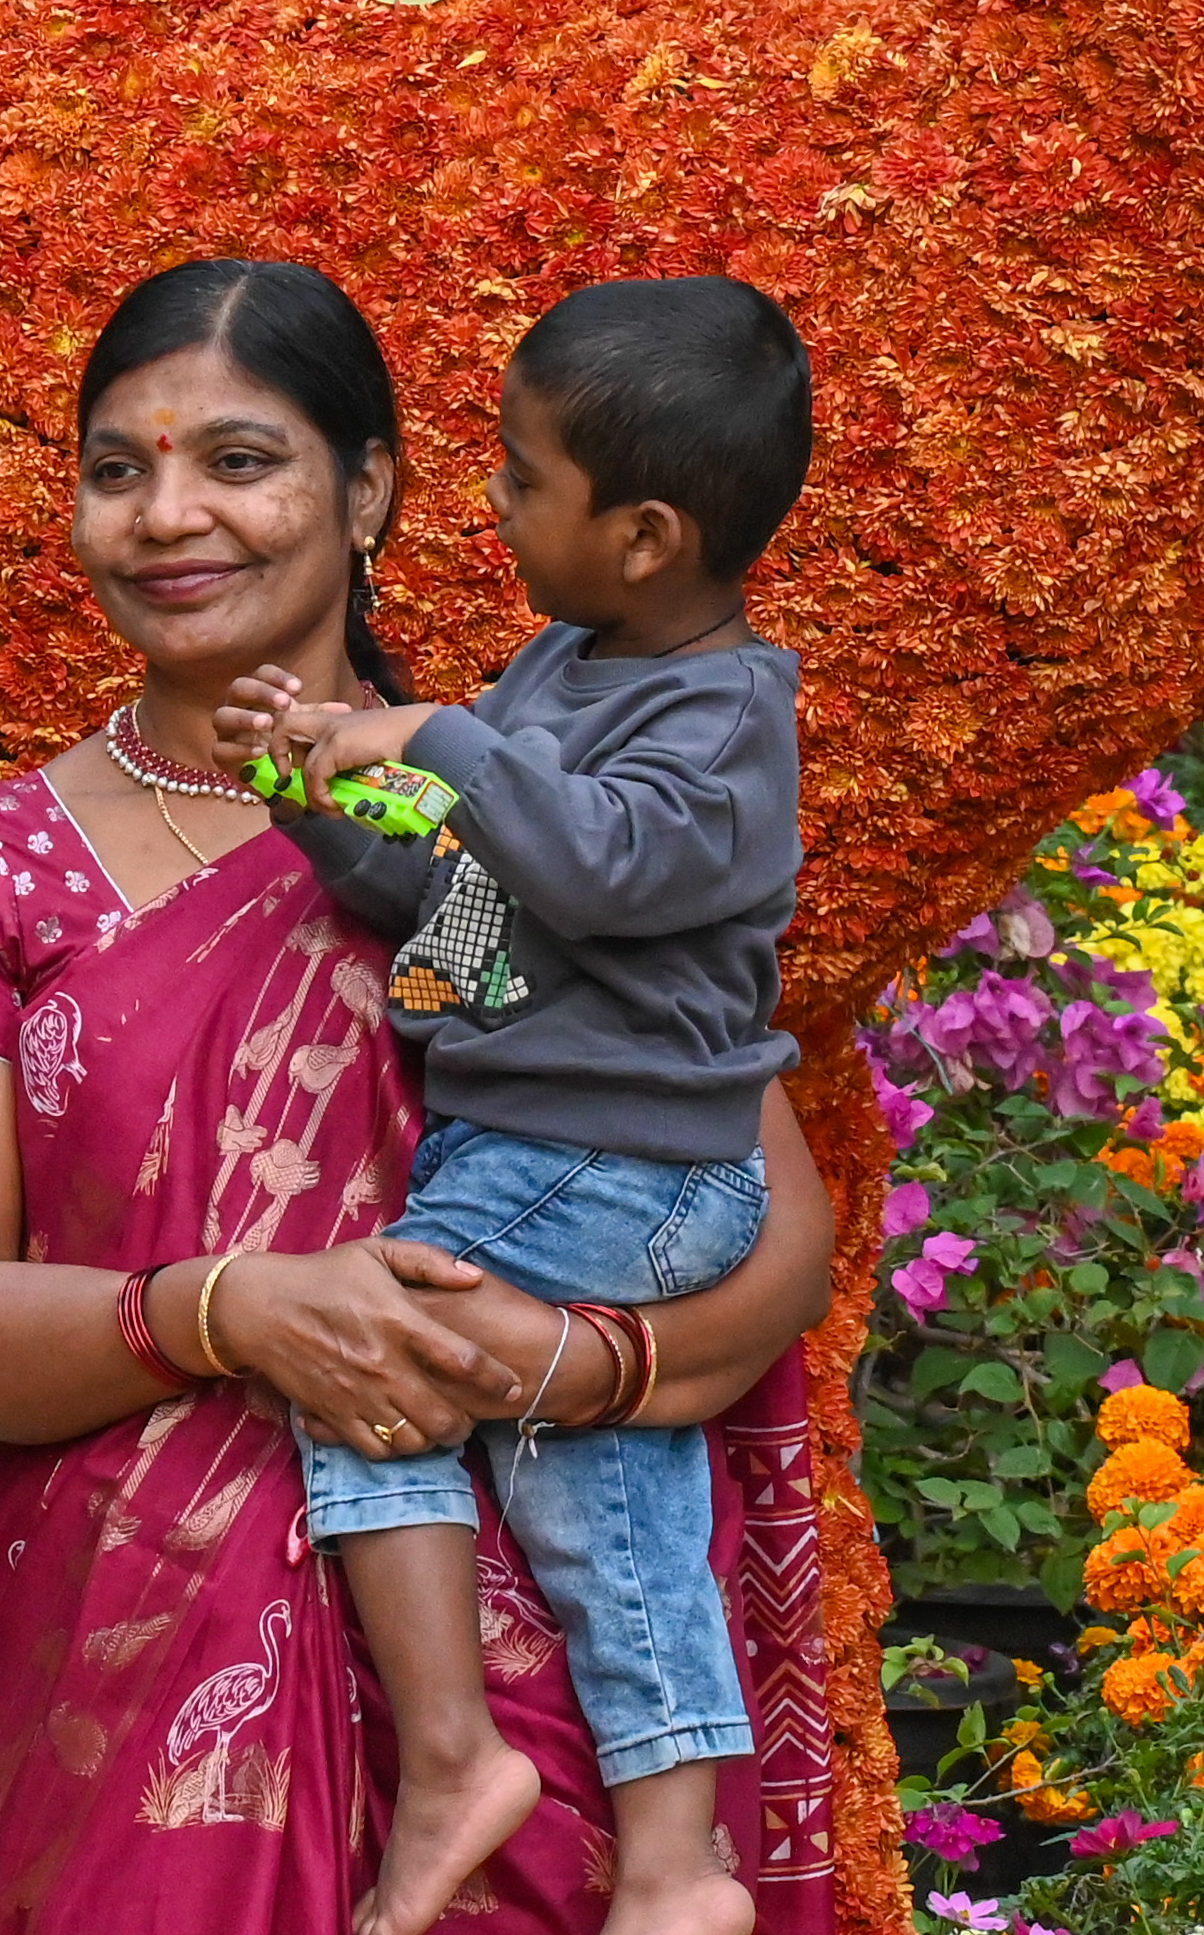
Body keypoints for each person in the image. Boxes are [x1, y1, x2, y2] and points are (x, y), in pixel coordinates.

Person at [0, 258, 838, 1935]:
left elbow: (757, 1226)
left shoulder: (525, 807)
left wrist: (567, 1364)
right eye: (116, 468)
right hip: (137, 1698)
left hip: (548, 1690)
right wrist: (230, 1310)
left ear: (368, 489)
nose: (169, 515)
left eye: (239, 460)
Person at [231, 276, 814, 1935]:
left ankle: (448, 1760)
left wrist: (438, 731)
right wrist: (314, 801)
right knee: (606, 1503)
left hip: (614, 1159)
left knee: (364, 1362)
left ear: (643, 537)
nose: (486, 494)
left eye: (520, 470)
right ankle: (679, 1862)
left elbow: (598, 863)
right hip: (561, 1154)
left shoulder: (724, 721)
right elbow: (463, 892)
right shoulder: (563, 666)